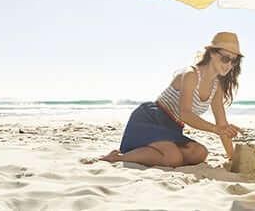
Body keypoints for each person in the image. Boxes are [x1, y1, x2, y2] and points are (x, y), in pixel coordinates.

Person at [101, 32, 243, 168]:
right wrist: (214, 129)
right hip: (150, 118)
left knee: (200, 153)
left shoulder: (216, 87)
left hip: (172, 127)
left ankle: (154, 152)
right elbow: (185, 114)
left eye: (234, 60)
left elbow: (222, 124)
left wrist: (232, 156)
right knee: (173, 158)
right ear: (212, 53)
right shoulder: (191, 75)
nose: (229, 65)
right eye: (225, 58)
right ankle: (118, 157)